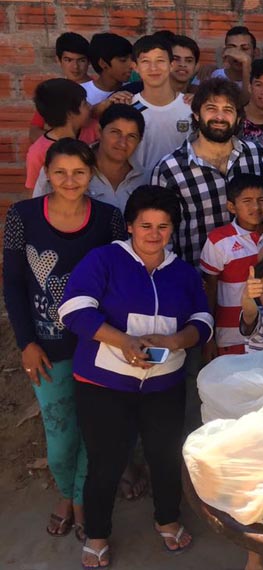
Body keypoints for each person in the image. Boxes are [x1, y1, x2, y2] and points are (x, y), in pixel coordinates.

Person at [59, 185, 213, 568]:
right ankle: (97, 533)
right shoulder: (104, 260)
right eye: (146, 225)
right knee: (106, 461)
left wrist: (179, 339)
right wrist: (124, 342)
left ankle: (168, 518)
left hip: (164, 384)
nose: (154, 233)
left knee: (164, 455)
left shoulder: (182, 273)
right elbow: (74, 309)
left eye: (163, 226)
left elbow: (203, 319)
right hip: (103, 385)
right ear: (130, 225)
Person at [3, 139, 127, 545]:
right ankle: (69, 493)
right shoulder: (22, 216)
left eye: (78, 172)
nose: (69, 180)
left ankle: (77, 502)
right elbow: (14, 282)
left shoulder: (108, 219)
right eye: (60, 172)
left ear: (91, 172)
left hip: (96, 347)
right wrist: (26, 343)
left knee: (95, 432)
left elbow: (115, 283)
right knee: (60, 438)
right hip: (46, 348)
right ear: (47, 175)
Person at [152, 78, 263, 267]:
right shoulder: (170, 169)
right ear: (196, 115)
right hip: (197, 279)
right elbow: (160, 234)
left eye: (228, 110)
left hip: (256, 279)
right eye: (211, 108)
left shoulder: (258, 155)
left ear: (239, 118)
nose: (219, 117)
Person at [199, 174, 263, 359]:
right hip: (231, 336)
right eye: (247, 201)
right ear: (231, 206)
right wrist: (208, 337)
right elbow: (210, 290)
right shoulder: (218, 240)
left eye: (261, 200)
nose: (256, 207)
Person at [33, 103, 148, 213]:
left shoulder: (144, 178)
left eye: (131, 136)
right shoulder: (63, 167)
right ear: (99, 131)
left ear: (139, 140)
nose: (122, 143)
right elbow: (39, 214)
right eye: (115, 132)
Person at [129, 35, 193, 181]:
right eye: (145, 61)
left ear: (171, 65)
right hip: (139, 191)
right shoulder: (128, 107)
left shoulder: (190, 107)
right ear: (135, 67)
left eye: (160, 61)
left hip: (182, 190)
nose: (153, 68)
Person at [25, 78, 96, 190]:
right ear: (70, 113)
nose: (90, 106)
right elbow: (36, 195)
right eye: (85, 103)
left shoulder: (93, 131)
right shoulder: (38, 152)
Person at [29, 32, 91, 143]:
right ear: (58, 60)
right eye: (68, 60)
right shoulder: (54, 92)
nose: (75, 67)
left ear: (89, 61)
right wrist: (64, 144)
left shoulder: (100, 88)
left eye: (81, 60)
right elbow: (34, 132)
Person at [83, 33, 135, 111]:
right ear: (103, 63)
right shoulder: (80, 94)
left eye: (132, 59)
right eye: (123, 60)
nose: (132, 65)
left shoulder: (135, 90)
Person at [211, 26, 256, 93]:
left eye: (244, 48)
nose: (237, 54)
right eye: (232, 48)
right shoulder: (215, 76)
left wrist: (246, 64)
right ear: (225, 51)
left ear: (255, 52)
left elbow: (245, 102)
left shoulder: (260, 78)